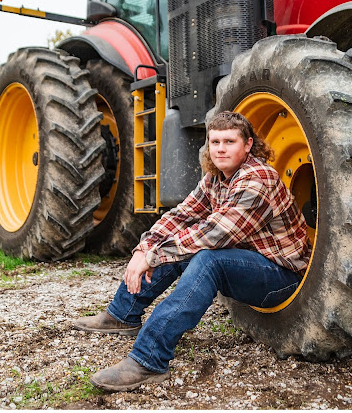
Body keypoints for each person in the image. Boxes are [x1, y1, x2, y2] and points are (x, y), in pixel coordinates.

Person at [72, 111, 311, 392]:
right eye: (215, 142)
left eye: (229, 142)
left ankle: (149, 360)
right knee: (179, 242)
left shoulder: (258, 179)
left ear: (248, 145)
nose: (220, 149)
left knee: (206, 257)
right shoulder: (216, 178)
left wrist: (153, 257)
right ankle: (122, 314)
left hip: (282, 277)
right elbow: (181, 215)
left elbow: (217, 233)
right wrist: (144, 248)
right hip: (248, 261)